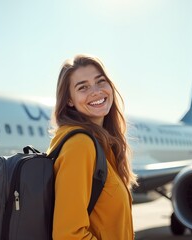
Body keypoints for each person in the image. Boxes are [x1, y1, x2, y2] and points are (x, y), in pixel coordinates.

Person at [47, 54, 138, 239]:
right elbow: (68, 235)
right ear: (69, 100)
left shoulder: (102, 145)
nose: (96, 91)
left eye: (100, 81)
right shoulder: (80, 146)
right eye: (83, 87)